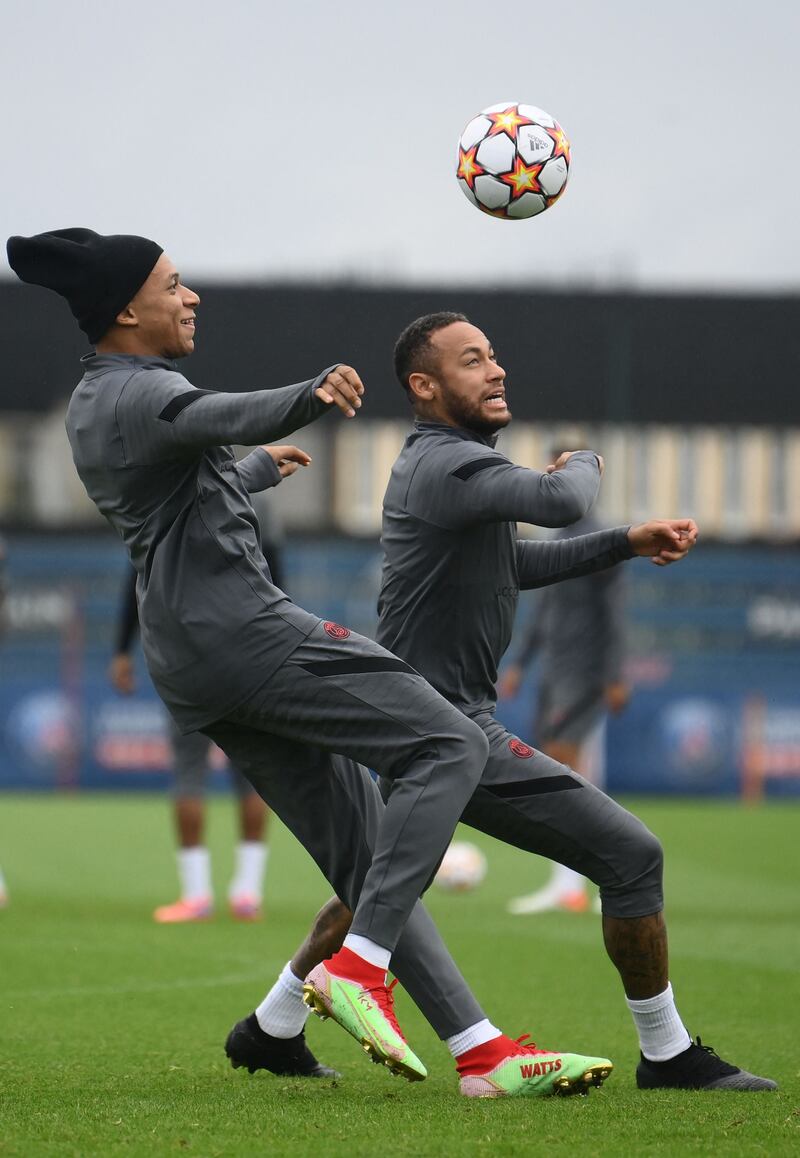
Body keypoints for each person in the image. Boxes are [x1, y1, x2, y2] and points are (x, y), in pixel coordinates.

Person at [8, 231, 618, 1097]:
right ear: (125, 311)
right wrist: (309, 395)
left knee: (365, 852)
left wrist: (253, 470)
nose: (191, 297)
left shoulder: (98, 400)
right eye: (174, 285)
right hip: (244, 636)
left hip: (194, 660)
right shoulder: (146, 391)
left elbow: (177, 481)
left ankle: (470, 1054)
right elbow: (215, 415)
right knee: (451, 743)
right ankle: (357, 970)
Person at [245, 312, 776, 1095]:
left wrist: (625, 540)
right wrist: (588, 459)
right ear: (424, 387)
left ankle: (273, 1021)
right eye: (471, 361)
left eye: (494, 357)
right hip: (446, 728)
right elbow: (561, 499)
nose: (495, 371)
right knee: (633, 856)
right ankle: (666, 1053)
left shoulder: (449, 469)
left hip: (418, 721)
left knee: (384, 879)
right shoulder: (450, 465)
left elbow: (510, 566)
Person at [109, 487, 288, 921]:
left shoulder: (161, 494)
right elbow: (275, 581)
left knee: (189, 772)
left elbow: (139, 577)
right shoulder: (252, 498)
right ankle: (247, 892)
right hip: (247, 653)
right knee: (253, 774)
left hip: (187, 653)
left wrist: (122, 649)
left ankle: (196, 894)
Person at [499, 504, 631, 915]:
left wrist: (613, 674)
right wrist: (521, 662)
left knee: (566, 771)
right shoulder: (556, 542)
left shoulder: (597, 543)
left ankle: (583, 880)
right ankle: (571, 882)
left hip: (584, 673)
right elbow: (543, 614)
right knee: (565, 771)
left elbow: (614, 614)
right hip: (555, 673)